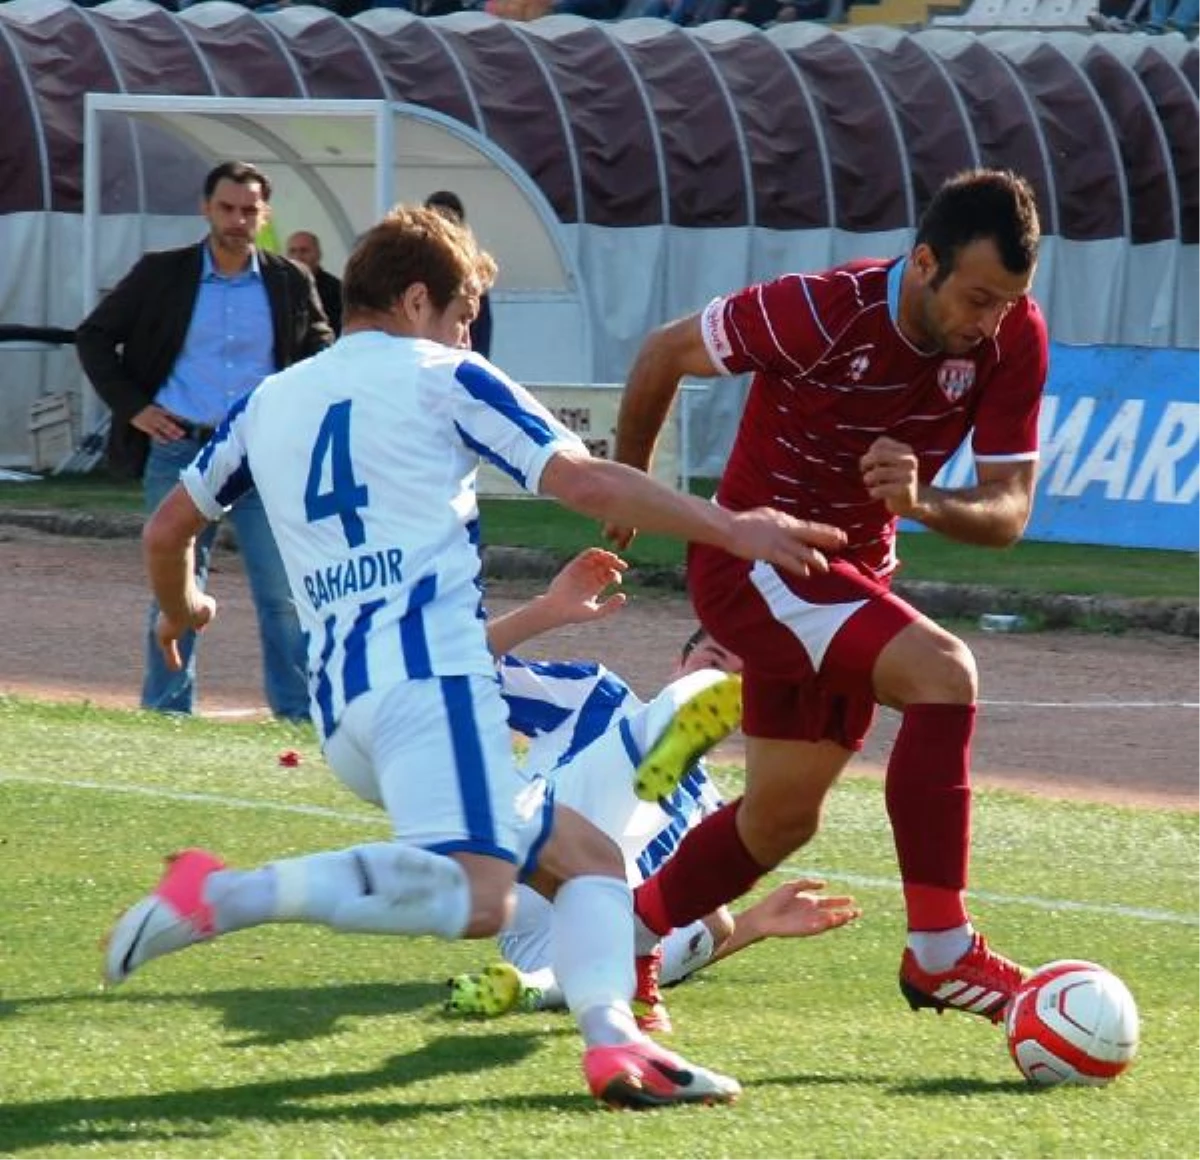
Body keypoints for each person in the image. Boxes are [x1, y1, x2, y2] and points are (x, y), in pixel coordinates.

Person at [102, 204, 846, 1109]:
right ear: (418, 300)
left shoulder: (271, 400)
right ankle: (221, 895)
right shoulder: (444, 374)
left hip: (347, 711)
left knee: (590, 863)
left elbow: (169, 527)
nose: (466, 334)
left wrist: (184, 610)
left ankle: (617, 1044)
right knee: (483, 902)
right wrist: (732, 526)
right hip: (432, 688)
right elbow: (582, 480)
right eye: (461, 315)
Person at [607, 168, 1049, 1030]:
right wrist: (630, 485)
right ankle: (941, 951)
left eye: (1005, 303)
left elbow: (1008, 515)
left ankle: (619, 941)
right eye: (977, 297)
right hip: (753, 562)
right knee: (944, 673)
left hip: (848, 581)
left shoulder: (1012, 338)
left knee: (778, 822)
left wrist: (922, 503)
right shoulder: (817, 309)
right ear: (924, 262)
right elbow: (664, 351)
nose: (988, 322)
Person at [441, 552, 860, 1025]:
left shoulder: (710, 808)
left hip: (553, 924)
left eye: (742, 683)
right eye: (711, 663)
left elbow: (679, 927)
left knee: (706, 921)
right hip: (543, 844)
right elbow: (452, 674)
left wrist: (754, 925)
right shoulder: (596, 697)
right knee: (644, 751)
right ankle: (671, 726)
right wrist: (548, 609)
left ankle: (533, 988)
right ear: (677, 662)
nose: (727, 678)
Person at [76, 160, 333, 721]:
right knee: (176, 590)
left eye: (249, 210)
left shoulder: (290, 279)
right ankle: (168, 712)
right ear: (206, 208)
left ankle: (295, 717)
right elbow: (94, 336)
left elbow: (320, 348)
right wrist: (135, 408)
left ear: (264, 214)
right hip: (180, 450)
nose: (238, 220)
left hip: (262, 456)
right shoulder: (161, 273)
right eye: (227, 208)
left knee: (284, 594)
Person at [423, 191, 493, 359]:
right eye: (434, 221)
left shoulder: (472, 277)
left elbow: (479, 336)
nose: (441, 228)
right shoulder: (407, 270)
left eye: (448, 222)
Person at [286, 230, 344, 335]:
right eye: (292, 251)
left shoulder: (336, 289)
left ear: (318, 254)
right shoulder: (280, 289)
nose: (298, 257)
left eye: (304, 251)